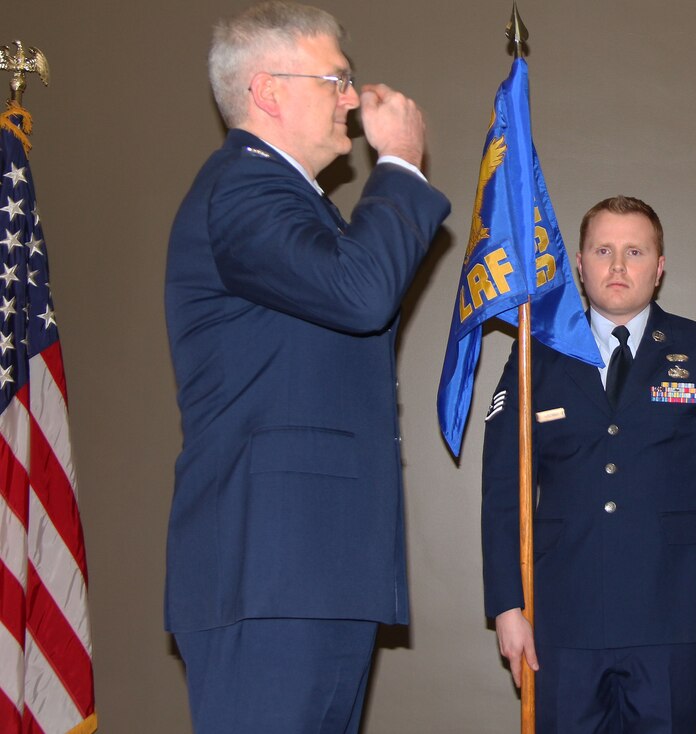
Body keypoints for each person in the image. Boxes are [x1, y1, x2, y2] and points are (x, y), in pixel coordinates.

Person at [163, 2, 449, 731]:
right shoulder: (243, 187)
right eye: (336, 80)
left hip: (311, 570)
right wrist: (400, 164)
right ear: (267, 91)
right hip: (270, 571)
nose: (351, 99)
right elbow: (361, 292)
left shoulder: (289, 200)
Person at [481, 196, 696, 731]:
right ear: (580, 265)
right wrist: (507, 605)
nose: (617, 266)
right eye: (602, 250)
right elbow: (502, 487)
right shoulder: (536, 354)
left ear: (659, 267)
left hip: (674, 612)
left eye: (635, 251)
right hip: (562, 614)